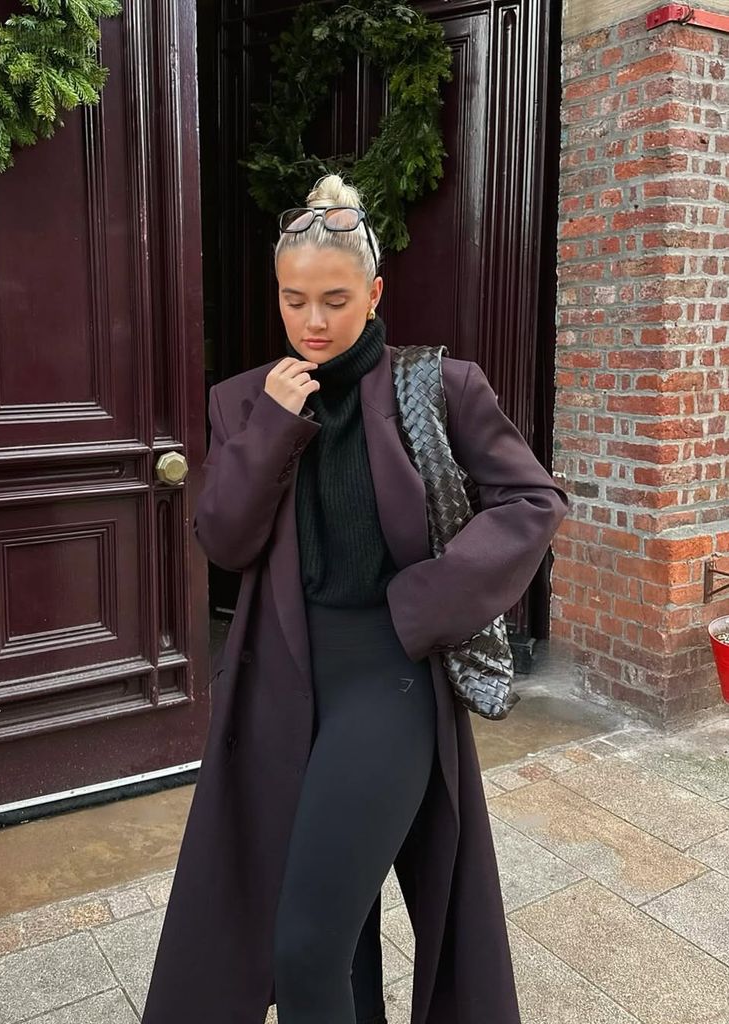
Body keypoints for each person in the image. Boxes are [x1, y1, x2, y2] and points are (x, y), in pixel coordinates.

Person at [140, 173, 569, 1024]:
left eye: (334, 299)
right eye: (293, 299)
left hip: (390, 679)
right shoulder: (244, 400)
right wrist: (271, 427)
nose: (312, 321)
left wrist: (424, 600)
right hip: (280, 689)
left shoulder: (441, 387)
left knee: (302, 950)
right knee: (340, 933)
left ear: (374, 294)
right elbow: (224, 543)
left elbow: (532, 502)